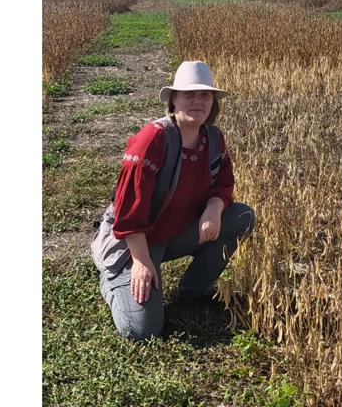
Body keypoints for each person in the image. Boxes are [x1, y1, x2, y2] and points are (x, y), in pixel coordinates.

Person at [92, 60, 255, 340]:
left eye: (205, 95)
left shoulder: (213, 139)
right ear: (173, 100)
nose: (197, 101)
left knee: (241, 216)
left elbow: (225, 183)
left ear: (213, 103)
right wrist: (142, 262)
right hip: (136, 240)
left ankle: (194, 289)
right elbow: (128, 213)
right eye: (189, 94)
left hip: (175, 232)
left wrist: (214, 208)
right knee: (142, 330)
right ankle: (112, 278)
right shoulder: (152, 140)